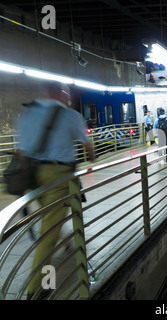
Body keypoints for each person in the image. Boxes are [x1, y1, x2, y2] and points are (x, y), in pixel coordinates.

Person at [16, 82, 95, 300]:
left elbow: (21, 150)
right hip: (59, 177)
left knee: (51, 218)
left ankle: (67, 240)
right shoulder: (71, 116)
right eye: (66, 94)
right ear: (60, 94)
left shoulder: (28, 114)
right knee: (48, 234)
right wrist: (91, 157)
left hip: (33, 176)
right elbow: (88, 146)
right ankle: (38, 288)